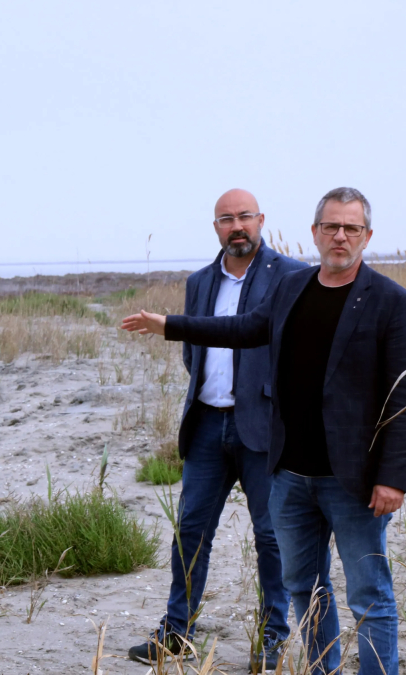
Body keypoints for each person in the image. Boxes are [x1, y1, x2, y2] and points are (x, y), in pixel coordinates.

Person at [121, 187, 406, 675]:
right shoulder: (293, 288)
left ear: (367, 235)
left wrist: (392, 476)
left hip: (354, 480)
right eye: (331, 227)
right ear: (315, 233)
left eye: (351, 228)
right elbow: (242, 329)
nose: (340, 236)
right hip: (290, 476)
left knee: (369, 594)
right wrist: (170, 325)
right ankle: (324, 668)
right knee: (305, 587)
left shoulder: (393, 302)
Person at [126, 189, 305, 671]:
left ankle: (273, 637)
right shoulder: (200, 281)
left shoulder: (289, 275)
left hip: (264, 428)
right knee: (190, 531)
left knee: (271, 536)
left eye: (245, 216)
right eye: (227, 219)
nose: (237, 226)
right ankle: (176, 633)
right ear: (216, 228)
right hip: (206, 424)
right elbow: (194, 351)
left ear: (261, 220)